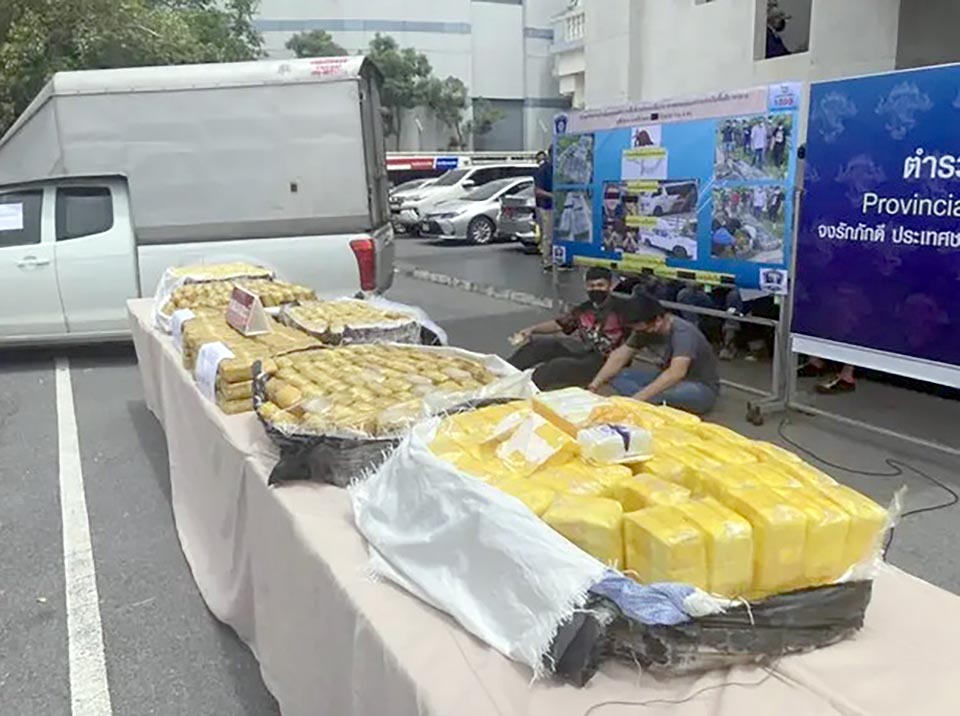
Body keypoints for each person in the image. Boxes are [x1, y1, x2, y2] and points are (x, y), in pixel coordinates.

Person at [587, 293, 720, 415]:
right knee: (618, 376)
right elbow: (620, 356)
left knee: (659, 393)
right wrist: (593, 386)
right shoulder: (643, 330)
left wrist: (637, 399)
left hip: (699, 387)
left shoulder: (683, 332)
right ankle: (649, 401)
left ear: (658, 321)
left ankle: (645, 401)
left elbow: (676, 373)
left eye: (643, 329)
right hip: (666, 378)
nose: (640, 332)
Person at [509, 267, 641, 390]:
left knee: (557, 366)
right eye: (591, 286)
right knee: (540, 346)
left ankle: (524, 390)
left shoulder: (624, 310)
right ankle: (503, 373)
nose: (596, 289)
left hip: (607, 361)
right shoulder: (584, 309)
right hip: (587, 352)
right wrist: (532, 329)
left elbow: (643, 333)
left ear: (610, 286)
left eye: (600, 285)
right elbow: (560, 324)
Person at [534, 147, 554, 271]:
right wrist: (553, 195)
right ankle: (547, 261)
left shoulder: (558, 168)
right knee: (548, 234)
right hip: (547, 206)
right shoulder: (543, 170)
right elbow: (538, 191)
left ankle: (562, 260)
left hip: (560, 207)